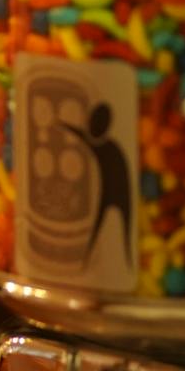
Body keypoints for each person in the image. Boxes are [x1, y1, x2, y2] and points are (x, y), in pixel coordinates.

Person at [60, 101, 131, 268]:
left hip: (119, 192)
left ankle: (125, 262)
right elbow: (83, 136)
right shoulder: (109, 145)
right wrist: (62, 124)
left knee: (122, 229)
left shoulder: (107, 146)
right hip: (109, 191)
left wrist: (62, 124)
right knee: (105, 227)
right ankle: (89, 261)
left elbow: (83, 137)